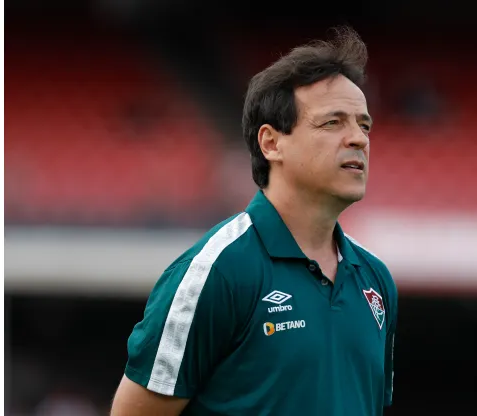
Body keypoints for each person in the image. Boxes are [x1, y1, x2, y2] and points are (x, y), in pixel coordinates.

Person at [110, 26, 398, 416]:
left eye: (364, 125)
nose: (359, 139)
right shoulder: (217, 271)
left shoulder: (376, 280)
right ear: (271, 143)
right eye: (333, 123)